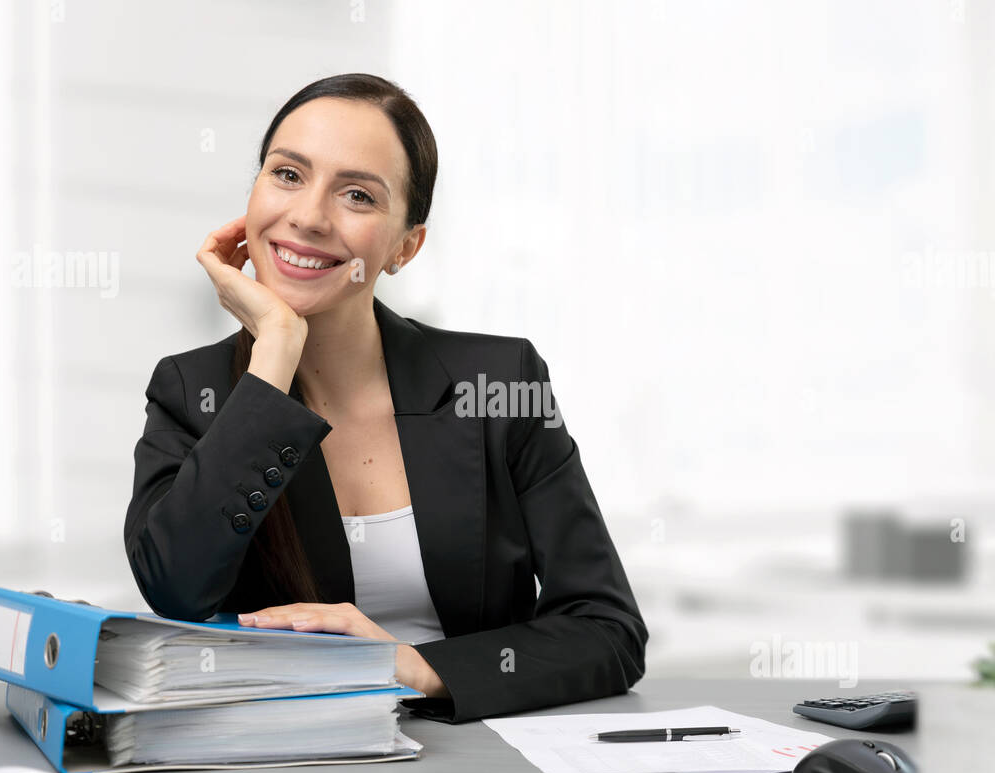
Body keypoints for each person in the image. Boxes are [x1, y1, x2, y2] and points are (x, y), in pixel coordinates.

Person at [123, 73, 647, 723]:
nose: (309, 216)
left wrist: (414, 666)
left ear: (405, 246)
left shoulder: (499, 381)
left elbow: (608, 628)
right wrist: (276, 354)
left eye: (357, 194)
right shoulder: (192, 392)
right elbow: (175, 588)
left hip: (476, 755)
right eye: (287, 175)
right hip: (279, 759)